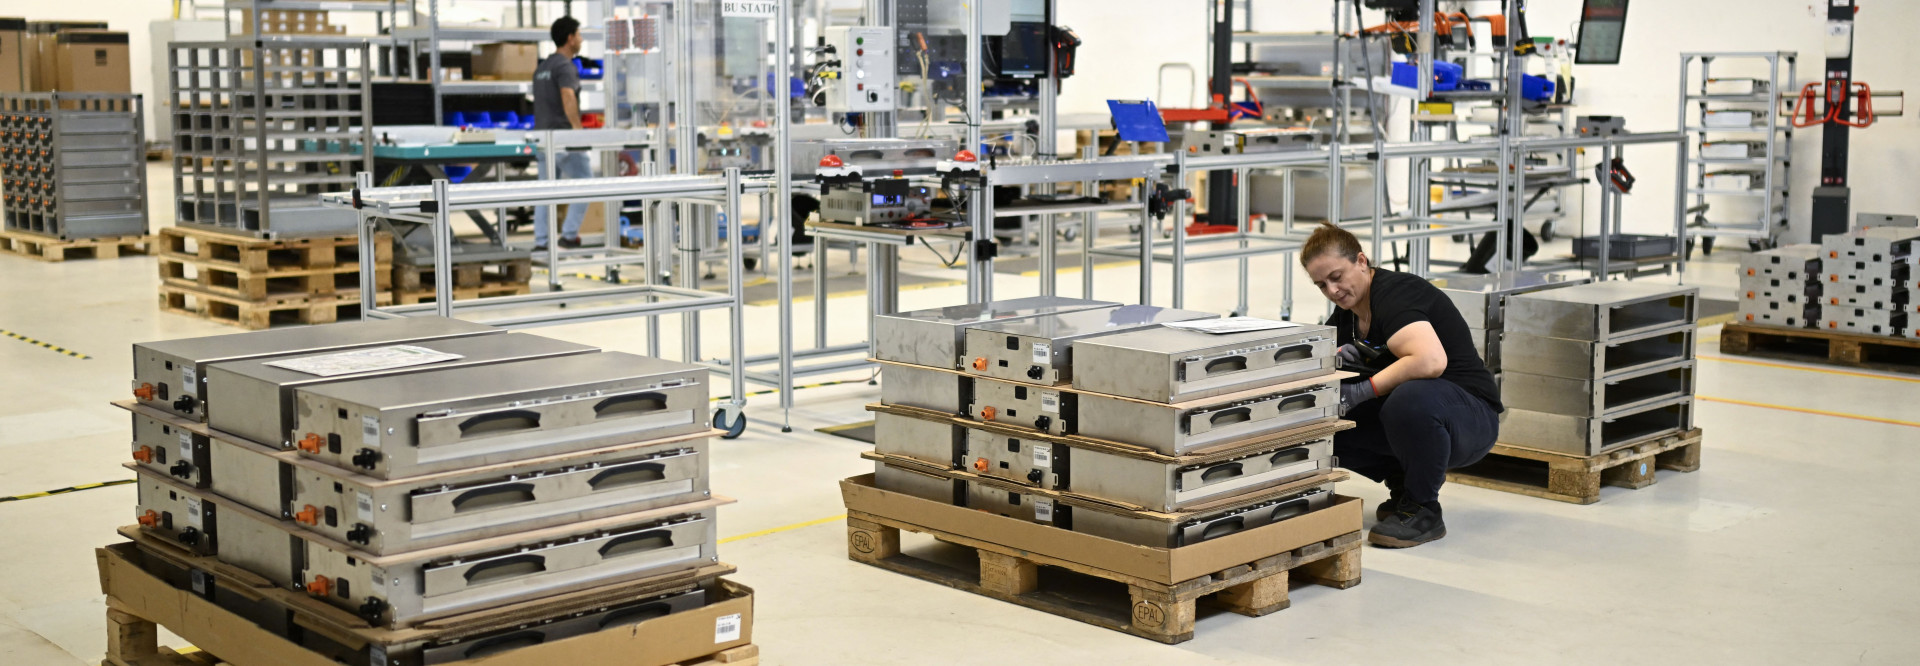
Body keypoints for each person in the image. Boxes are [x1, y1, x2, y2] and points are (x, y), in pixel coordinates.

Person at [1301, 222, 1501, 548]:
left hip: (1468, 419)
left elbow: (1430, 361)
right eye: (1322, 285)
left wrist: (1362, 390)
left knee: (1408, 399)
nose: (1333, 290)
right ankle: (1405, 486)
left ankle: (1424, 509)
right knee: (1323, 422)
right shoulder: (1348, 314)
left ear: (1361, 261)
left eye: (1337, 276)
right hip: (1420, 418)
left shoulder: (1396, 294)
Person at [532, 16, 587, 250]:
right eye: (579, 35)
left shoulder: (542, 67)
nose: (581, 39)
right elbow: (567, 96)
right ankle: (569, 235)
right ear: (570, 38)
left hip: (542, 138)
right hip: (563, 138)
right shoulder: (565, 66)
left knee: (545, 191)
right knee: (586, 184)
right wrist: (577, 131)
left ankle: (542, 242)